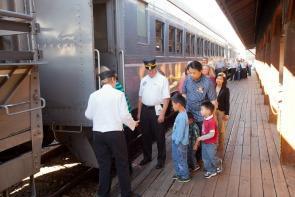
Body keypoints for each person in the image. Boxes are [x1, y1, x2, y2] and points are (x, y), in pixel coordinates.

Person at [85, 70, 140, 197]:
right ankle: (126, 193)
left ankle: (103, 194)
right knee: (122, 163)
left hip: (98, 135)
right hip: (115, 134)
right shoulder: (118, 95)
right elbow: (125, 115)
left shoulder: (93, 95)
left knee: (104, 165)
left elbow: (88, 115)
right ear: (113, 80)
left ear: (102, 82)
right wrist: (133, 124)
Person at [137, 57, 170, 169]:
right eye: (148, 70)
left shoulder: (163, 79)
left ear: (155, 67)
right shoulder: (144, 80)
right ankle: (147, 157)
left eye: (152, 69)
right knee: (145, 135)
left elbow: (166, 98)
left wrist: (162, 114)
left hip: (157, 109)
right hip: (145, 110)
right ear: (146, 69)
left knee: (159, 136)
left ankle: (161, 159)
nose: (150, 72)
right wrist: (139, 113)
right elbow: (140, 97)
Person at [193, 101, 222, 179]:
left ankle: (218, 163)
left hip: (211, 144)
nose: (200, 111)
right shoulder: (205, 119)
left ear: (208, 111)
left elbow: (211, 134)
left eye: (202, 109)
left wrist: (200, 138)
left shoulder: (211, 121)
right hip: (205, 143)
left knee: (212, 157)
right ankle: (211, 170)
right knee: (205, 157)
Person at [171, 93, 191, 182]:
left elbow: (180, 132)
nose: (172, 106)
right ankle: (179, 172)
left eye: (173, 104)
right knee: (176, 158)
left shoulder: (182, 116)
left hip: (180, 143)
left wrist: (176, 141)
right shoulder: (181, 114)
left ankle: (185, 175)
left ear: (178, 104)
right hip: (177, 141)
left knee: (181, 159)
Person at [215, 73, 230, 154]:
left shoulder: (226, 90)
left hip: (221, 111)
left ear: (223, 81)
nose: (218, 80)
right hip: (213, 111)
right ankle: (215, 144)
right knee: (214, 128)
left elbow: (227, 103)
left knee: (221, 129)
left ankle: (221, 145)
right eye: (217, 78)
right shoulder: (213, 88)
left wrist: (227, 114)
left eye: (220, 79)